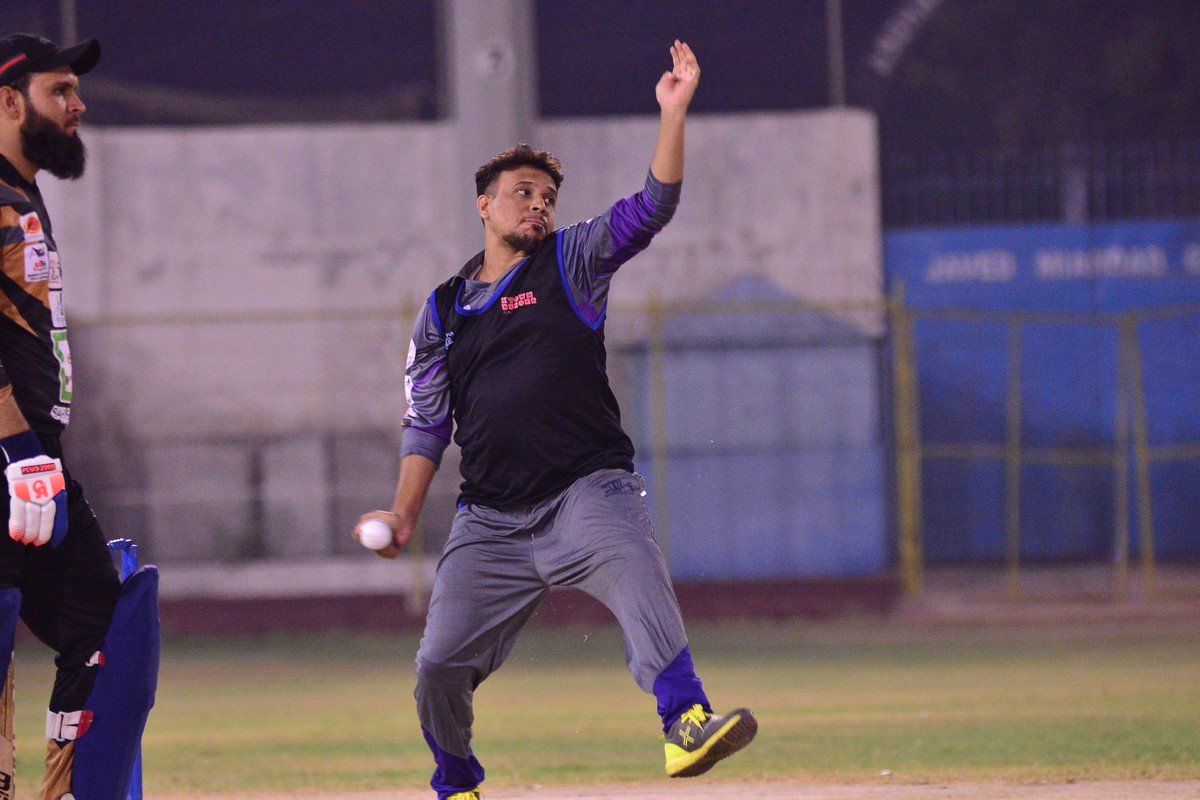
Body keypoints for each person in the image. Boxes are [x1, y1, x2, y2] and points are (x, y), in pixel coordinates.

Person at [357, 41, 756, 800]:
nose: (539, 204)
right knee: (437, 667)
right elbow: (427, 423)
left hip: (586, 492)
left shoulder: (571, 262)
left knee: (638, 571)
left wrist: (672, 114)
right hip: (490, 521)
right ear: (485, 206)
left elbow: (653, 206)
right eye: (522, 193)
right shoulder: (441, 311)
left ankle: (685, 722)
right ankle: (456, 780)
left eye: (547, 196)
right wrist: (403, 515)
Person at [0, 33, 158, 800]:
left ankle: (65, 792)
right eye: (59, 90)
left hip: (37, 457)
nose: (78, 105)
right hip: (13, 456)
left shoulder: (24, 196)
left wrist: (37, 454)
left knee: (100, 616)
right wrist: (17, 451)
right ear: (8, 101)